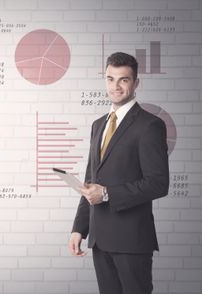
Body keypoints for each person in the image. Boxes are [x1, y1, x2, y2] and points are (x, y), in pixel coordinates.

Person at [68, 52, 169, 294]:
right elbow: (91, 181)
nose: (115, 86)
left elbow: (158, 183)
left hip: (132, 240)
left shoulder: (150, 125)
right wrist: (79, 228)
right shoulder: (98, 124)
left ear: (136, 83)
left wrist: (107, 194)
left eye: (123, 80)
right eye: (110, 79)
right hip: (100, 239)